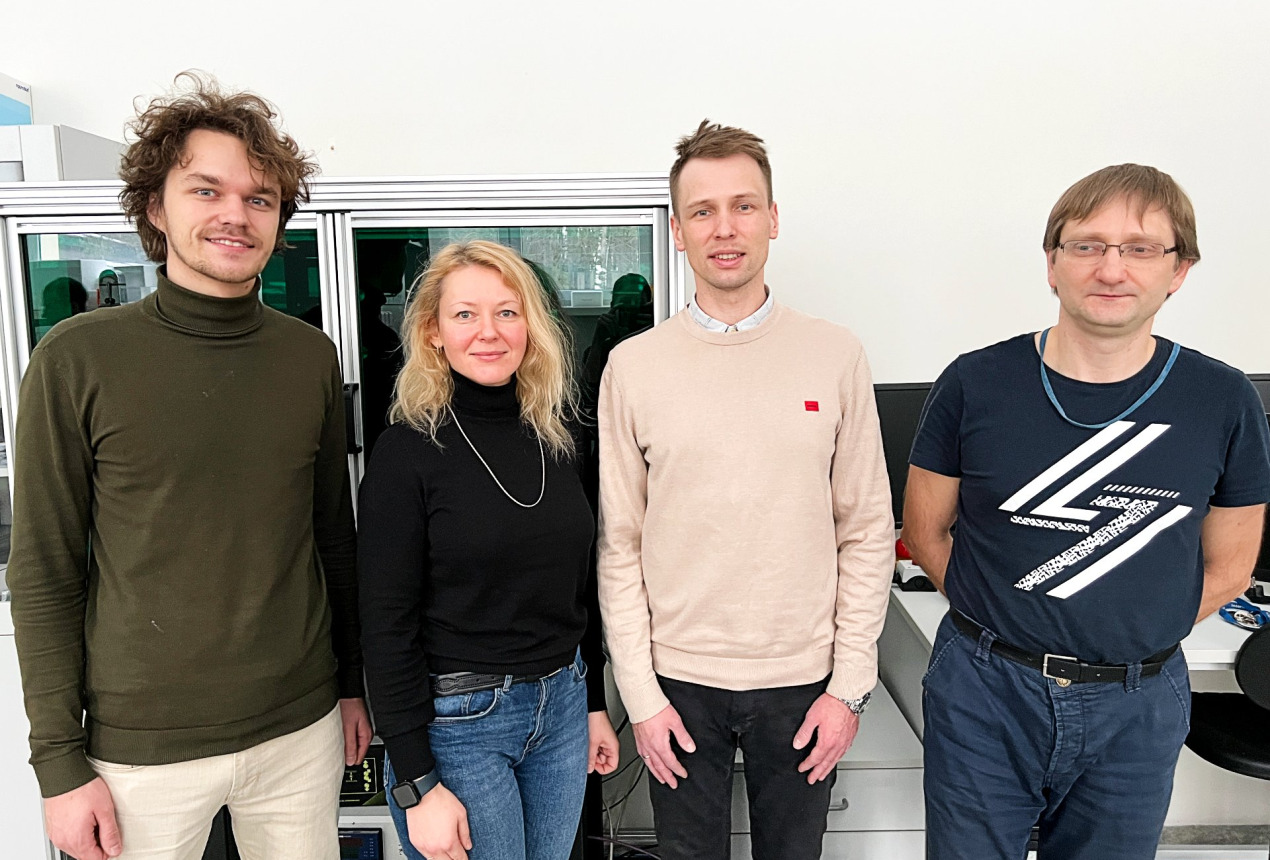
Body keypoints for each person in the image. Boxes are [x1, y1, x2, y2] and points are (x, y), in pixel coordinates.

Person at [8, 73, 371, 860]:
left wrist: (349, 684)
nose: (235, 214)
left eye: (260, 198)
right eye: (207, 189)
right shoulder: (76, 360)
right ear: (154, 206)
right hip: (140, 747)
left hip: (299, 728)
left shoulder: (307, 356)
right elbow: (42, 571)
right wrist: (58, 763)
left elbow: (330, 538)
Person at [902, 164, 1270, 860]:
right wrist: (1003, 624)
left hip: (1139, 700)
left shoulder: (1222, 400)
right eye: (1087, 245)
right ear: (1052, 263)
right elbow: (924, 532)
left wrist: (1131, 628)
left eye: (1140, 248)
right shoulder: (974, 383)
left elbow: (1231, 565)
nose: (1111, 268)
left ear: (1179, 270)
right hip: (984, 691)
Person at [596, 120, 895, 860]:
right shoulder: (633, 368)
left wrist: (849, 686)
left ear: (773, 218)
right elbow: (619, 543)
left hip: (804, 682)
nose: (724, 229)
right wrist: (641, 694)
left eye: (743, 206)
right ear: (677, 229)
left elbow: (866, 530)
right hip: (677, 684)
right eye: (702, 211)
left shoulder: (835, 354)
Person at [358, 239, 620, 860]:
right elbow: (384, 626)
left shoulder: (557, 437)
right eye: (465, 314)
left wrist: (590, 706)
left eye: (507, 311)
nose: (489, 332)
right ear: (432, 333)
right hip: (459, 725)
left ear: (531, 326)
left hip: (560, 704)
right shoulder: (405, 453)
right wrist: (418, 782)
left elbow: (577, 589)